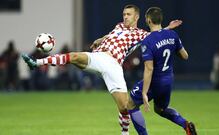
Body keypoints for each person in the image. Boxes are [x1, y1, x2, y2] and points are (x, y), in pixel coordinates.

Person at [22, 5, 182, 135]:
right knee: (74, 56)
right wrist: (101, 39)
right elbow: (112, 35)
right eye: (124, 14)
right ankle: (36, 62)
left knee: (125, 106)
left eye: (128, 14)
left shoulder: (142, 34)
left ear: (136, 17)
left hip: (114, 65)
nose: (125, 17)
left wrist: (168, 28)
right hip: (99, 57)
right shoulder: (119, 25)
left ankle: (124, 133)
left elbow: (157, 35)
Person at [127, 7, 197, 135]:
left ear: (148, 20)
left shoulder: (147, 42)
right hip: (168, 80)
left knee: (131, 104)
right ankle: (185, 125)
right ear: (161, 19)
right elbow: (185, 56)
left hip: (155, 81)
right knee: (160, 109)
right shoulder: (173, 35)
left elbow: (149, 68)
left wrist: (144, 93)